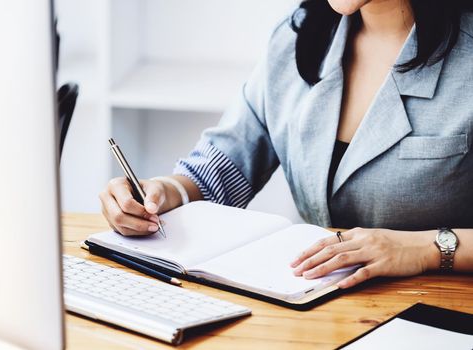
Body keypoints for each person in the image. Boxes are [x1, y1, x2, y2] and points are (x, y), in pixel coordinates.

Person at [99, 0, 473, 289]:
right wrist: (162, 193)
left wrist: (426, 249)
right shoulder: (300, 34)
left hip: (437, 310)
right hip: (313, 303)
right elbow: (226, 164)